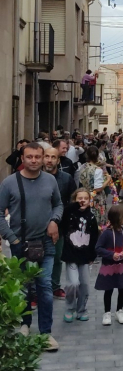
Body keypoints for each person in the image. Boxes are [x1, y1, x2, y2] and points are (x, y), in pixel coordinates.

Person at [0, 142, 62, 350]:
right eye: (30, 157)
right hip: (20, 244)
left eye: (38, 157)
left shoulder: (50, 180)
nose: (34, 161)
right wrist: (12, 238)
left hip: (45, 243)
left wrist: (54, 220)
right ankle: (25, 324)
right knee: (24, 287)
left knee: (44, 287)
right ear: (23, 158)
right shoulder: (9, 183)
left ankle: (45, 333)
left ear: (44, 158)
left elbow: (58, 204)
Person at [61, 188, 99, 322]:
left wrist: (92, 256)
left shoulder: (92, 216)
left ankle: (81, 309)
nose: (82, 200)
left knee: (84, 285)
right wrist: (74, 206)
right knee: (73, 283)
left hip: (85, 256)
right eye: (79, 198)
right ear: (74, 200)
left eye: (85, 198)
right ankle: (70, 307)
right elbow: (63, 217)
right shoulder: (69, 214)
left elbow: (95, 237)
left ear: (90, 201)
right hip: (71, 254)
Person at [43, 147, 76, 300]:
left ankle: (55, 286)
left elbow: (72, 200)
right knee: (35, 259)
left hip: (60, 225)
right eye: (47, 156)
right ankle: (36, 292)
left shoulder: (66, 178)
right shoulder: (37, 177)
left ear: (58, 160)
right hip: (37, 225)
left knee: (56, 258)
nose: (49, 160)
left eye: (53, 157)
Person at [95, 205, 123, 326]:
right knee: (108, 289)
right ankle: (107, 312)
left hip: (121, 266)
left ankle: (119, 310)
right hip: (108, 266)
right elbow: (98, 248)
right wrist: (111, 254)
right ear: (119, 218)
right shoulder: (106, 233)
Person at [79, 146, 111, 226]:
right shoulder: (97, 169)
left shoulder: (82, 167)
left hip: (85, 194)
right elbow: (98, 189)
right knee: (97, 220)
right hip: (96, 198)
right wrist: (107, 180)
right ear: (97, 156)